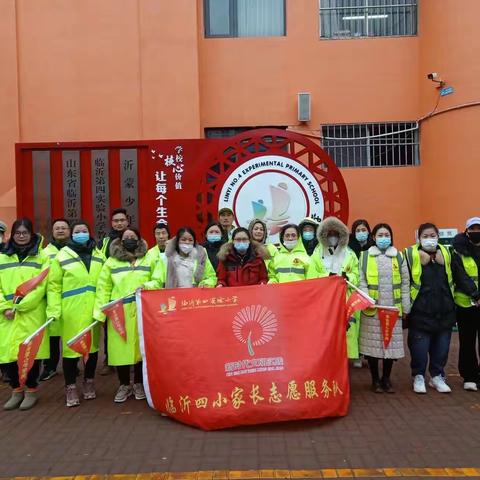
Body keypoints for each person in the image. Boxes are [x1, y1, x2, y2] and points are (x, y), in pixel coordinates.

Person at [94, 227, 163, 403]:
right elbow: (104, 288)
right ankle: (124, 384)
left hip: (142, 310)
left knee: (141, 350)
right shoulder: (111, 262)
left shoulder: (150, 257)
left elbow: (159, 279)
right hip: (118, 313)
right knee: (121, 351)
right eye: (126, 237)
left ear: (139, 239)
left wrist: (147, 286)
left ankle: (139, 383)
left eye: (133, 237)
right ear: (120, 240)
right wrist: (101, 312)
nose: (130, 239)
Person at [47, 221, 105, 407]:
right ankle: (70, 387)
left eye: (85, 231)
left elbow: (105, 283)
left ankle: (89, 382)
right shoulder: (63, 255)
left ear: (90, 233)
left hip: (93, 309)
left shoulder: (98, 254)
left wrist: (102, 307)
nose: (82, 234)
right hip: (70, 310)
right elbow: (54, 285)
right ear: (72, 234)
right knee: (71, 350)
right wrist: (55, 309)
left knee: (93, 348)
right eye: (78, 231)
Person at [0, 218, 50, 411]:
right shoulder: (2, 256)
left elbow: (42, 286)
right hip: (6, 314)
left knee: (31, 352)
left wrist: (21, 306)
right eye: (18, 233)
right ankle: (16, 390)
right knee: (9, 354)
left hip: (30, 312)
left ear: (32, 234)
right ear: (12, 235)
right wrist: (5, 307)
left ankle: (31, 390)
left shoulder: (41, 256)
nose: (21, 236)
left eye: (25, 233)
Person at [359, 223, 410, 393]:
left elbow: (405, 282)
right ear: (373, 237)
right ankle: (374, 380)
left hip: (392, 309)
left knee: (391, 346)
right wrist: (367, 299)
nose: (383, 238)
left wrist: (405, 306)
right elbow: (362, 280)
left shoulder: (399, 257)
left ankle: (386, 378)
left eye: (386, 235)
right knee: (372, 347)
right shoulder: (365, 256)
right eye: (380, 235)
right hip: (372, 308)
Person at [405, 223, 455, 394]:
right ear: (418, 238)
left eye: (432, 235)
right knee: (419, 349)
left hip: (444, 309)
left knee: (441, 349)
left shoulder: (447, 253)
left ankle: (437, 376)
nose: (429, 239)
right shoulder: (410, 254)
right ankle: (418, 376)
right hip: (421, 311)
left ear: (438, 236)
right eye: (425, 236)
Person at [307, 216, 359, 360]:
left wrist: (348, 278)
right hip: (324, 299)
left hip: (345, 298)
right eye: (329, 234)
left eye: (336, 234)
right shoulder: (317, 253)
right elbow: (311, 276)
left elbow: (356, 274)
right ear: (324, 235)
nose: (333, 237)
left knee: (346, 331)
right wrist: (327, 276)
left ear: (341, 235)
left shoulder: (350, 254)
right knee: (325, 331)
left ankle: (344, 367)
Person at [39, 218, 71, 382]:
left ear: (69, 231)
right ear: (52, 232)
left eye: (63, 228)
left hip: (70, 300)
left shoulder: (74, 251)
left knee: (70, 334)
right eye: (57, 228)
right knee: (51, 337)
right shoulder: (44, 253)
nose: (60, 231)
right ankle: (49, 367)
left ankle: (73, 366)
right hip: (50, 300)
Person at [99, 208, 129, 375]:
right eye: (116, 221)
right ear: (112, 223)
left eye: (122, 220)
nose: (119, 223)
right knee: (110, 328)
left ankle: (132, 359)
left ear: (127, 221)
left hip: (130, 291)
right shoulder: (105, 242)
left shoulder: (133, 238)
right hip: (112, 291)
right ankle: (109, 360)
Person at [452, 217, 480, 391]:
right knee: (467, 341)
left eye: (479, 229)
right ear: (466, 231)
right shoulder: (458, 251)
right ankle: (469, 376)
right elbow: (460, 275)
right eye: (473, 229)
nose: (476, 232)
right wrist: (476, 294)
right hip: (466, 304)